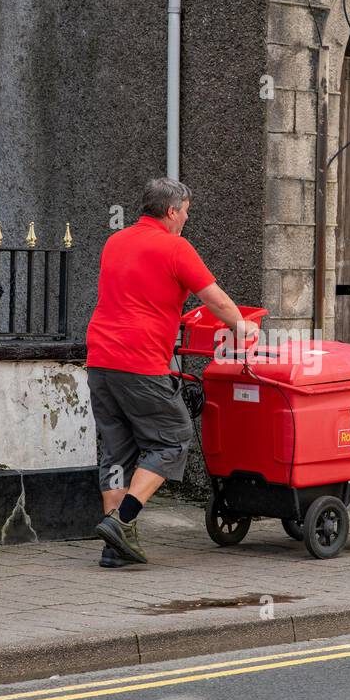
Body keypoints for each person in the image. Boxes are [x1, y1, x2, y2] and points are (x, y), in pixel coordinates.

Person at [87, 178, 259, 568]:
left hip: (100, 360)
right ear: (170, 211)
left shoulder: (115, 242)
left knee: (117, 451)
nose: (185, 219)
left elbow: (136, 296)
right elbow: (213, 297)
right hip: (140, 362)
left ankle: (113, 549)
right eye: (184, 212)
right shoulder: (175, 247)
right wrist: (241, 327)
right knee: (173, 438)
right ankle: (122, 520)